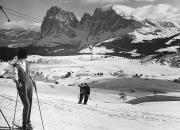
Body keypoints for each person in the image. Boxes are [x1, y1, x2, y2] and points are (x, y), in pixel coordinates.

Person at [1, 49, 35, 130]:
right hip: (22, 86)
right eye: (24, 57)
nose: (25, 59)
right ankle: (24, 125)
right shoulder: (16, 65)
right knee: (26, 105)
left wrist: (33, 81)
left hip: (30, 85)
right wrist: (16, 82)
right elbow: (14, 76)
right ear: (21, 57)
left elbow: (29, 73)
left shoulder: (26, 63)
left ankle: (28, 122)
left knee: (30, 104)